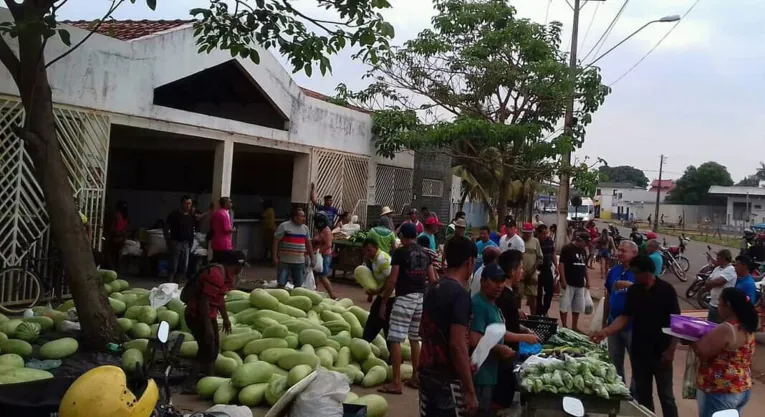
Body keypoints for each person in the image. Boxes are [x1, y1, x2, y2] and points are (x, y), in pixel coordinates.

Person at [591, 255, 680, 417]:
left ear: (648, 272)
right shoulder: (634, 291)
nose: (635, 276)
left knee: (666, 396)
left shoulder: (666, 290)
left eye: (637, 273)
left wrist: (671, 350)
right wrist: (606, 331)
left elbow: (677, 323)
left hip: (661, 353)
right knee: (643, 395)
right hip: (639, 352)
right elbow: (625, 317)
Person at [418, 236, 479, 417]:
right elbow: (456, 344)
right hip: (447, 380)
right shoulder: (459, 294)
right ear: (469, 261)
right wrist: (469, 390)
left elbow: (426, 330)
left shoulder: (433, 287)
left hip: (426, 372)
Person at [379, 223, 436, 394]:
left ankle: (396, 382)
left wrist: (383, 302)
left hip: (404, 298)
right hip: (420, 298)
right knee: (414, 338)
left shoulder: (400, 252)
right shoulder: (425, 253)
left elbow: (392, 279)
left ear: (403, 236)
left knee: (395, 338)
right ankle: (415, 377)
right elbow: (433, 279)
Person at [183, 250, 245, 387]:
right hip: (196, 315)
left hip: (207, 315)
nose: (242, 270)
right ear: (237, 265)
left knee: (213, 348)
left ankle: (210, 378)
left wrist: (225, 318)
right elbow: (204, 301)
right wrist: (207, 327)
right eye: (242, 266)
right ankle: (190, 383)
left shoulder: (226, 276)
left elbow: (219, 298)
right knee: (206, 349)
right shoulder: (216, 275)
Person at [692, 287, 757, 417]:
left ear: (727, 305)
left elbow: (702, 351)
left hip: (720, 389)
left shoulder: (727, 328)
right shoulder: (746, 327)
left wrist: (690, 339)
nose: (718, 307)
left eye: (719, 302)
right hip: (741, 387)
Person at [493, 250, 541, 409]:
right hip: (503, 354)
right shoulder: (503, 296)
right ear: (512, 272)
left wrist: (524, 329)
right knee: (500, 399)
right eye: (520, 268)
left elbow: (509, 322)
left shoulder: (509, 293)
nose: (522, 271)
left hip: (510, 353)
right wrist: (524, 337)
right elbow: (500, 331)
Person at [469, 264, 517, 416]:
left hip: (490, 373)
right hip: (480, 376)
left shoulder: (492, 304)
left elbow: (498, 332)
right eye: (495, 281)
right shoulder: (478, 305)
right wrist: (500, 349)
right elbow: (474, 340)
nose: (500, 286)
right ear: (483, 281)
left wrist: (524, 336)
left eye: (502, 281)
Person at [603, 240, 638, 386]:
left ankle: (636, 397)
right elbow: (608, 296)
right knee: (614, 361)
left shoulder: (639, 273)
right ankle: (619, 389)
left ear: (634, 253)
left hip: (634, 327)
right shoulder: (614, 271)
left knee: (637, 364)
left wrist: (629, 286)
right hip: (613, 323)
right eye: (619, 250)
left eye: (623, 251)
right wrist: (604, 321)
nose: (619, 253)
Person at [360, 239, 394, 344]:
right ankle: (365, 342)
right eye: (365, 252)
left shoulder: (382, 259)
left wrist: (378, 292)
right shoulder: (374, 259)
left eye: (369, 251)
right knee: (381, 322)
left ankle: (365, 342)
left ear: (376, 247)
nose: (367, 254)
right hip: (385, 295)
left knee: (378, 321)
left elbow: (391, 279)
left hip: (390, 296)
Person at [273, 207, 314, 288]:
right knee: (281, 282)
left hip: (299, 261)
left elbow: (308, 244)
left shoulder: (305, 228)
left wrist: (312, 257)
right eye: (302, 216)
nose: (304, 218)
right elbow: (276, 241)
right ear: (295, 217)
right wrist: (274, 257)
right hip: (285, 261)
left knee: (298, 284)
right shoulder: (284, 226)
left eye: (304, 216)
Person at [558, 232, 590, 331]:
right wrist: (563, 280)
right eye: (585, 242)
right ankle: (564, 326)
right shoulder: (567, 248)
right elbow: (561, 264)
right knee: (564, 305)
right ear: (580, 240)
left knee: (578, 306)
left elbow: (584, 266)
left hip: (579, 282)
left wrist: (587, 280)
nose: (586, 244)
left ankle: (574, 326)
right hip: (568, 282)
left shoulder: (583, 251)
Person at [165, 195, 196, 283]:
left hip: (186, 244)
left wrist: (191, 243)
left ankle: (176, 285)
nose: (188, 206)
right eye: (186, 203)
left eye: (190, 203)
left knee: (184, 267)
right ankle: (169, 285)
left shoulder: (190, 216)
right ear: (182, 204)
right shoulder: (174, 214)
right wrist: (168, 241)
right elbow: (166, 228)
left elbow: (192, 230)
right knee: (173, 267)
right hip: (176, 243)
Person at [704, 249, 737, 323]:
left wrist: (710, 283)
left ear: (724, 258)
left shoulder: (731, 269)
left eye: (719, 256)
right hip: (713, 303)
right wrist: (710, 283)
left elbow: (719, 282)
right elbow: (707, 282)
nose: (717, 258)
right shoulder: (717, 268)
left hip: (722, 307)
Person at [312, 213, 337, 299]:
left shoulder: (326, 230)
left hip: (324, 256)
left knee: (322, 276)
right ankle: (314, 291)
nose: (319, 224)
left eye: (320, 222)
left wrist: (318, 253)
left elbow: (328, 245)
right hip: (318, 255)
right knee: (315, 274)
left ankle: (332, 295)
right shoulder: (319, 231)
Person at [520, 222, 542, 314]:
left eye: (529, 232)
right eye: (525, 232)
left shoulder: (535, 241)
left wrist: (532, 270)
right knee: (518, 296)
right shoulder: (519, 241)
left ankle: (533, 317)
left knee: (532, 297)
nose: (527, 234)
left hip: (532, 273)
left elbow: (539, 257)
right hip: (520, 273)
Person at [536, 224, 557, 317]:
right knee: (538, 292)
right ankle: (538, 311)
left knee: (550, 291)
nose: (545, 235)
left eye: (546, 233)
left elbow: (553, 253)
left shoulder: (550, 241)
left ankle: (545, 310)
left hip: (547, 268)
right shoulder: (535, 242)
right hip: (537, 270)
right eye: (543, 233)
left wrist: (556, 266)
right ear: (538, 233)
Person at [105, 200, 129, 272]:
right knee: (117, 257)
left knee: (110, 256)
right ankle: (116, 271)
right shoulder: (125, 216)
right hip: (121, 239)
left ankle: (112, 270)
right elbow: (126, 228)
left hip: (114, 238)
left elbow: (112, 228)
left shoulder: (116, 215)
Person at [210, 197, 234, 263]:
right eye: (230, 202)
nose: (231, 204)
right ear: (225, 203)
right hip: (224, 244)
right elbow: (226, 230)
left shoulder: (216, 213)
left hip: (215, 242)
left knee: (216, 261)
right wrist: (233, 230)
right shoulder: (225, 214)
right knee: (224, 263)